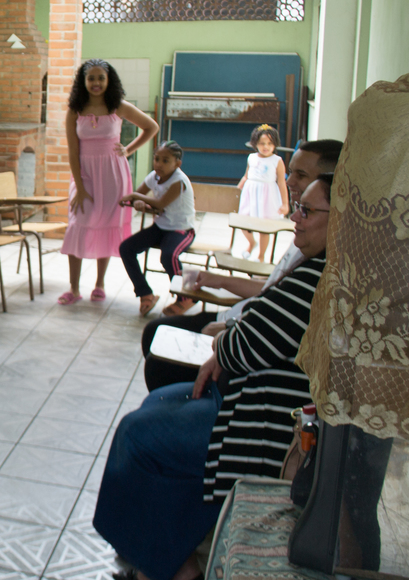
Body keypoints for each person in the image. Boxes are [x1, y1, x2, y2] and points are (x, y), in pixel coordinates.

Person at [94, 174, 333, 580]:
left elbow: (246, 344)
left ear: (342, 219)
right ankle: (171, 556)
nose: (295, 216)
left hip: (264, 420)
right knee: (159, 401)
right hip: (249, 394)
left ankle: (163, 565)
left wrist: (225, 346)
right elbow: (257, 327)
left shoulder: (322, 276)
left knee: (138, 434)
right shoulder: (314, 265)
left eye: (307, 210)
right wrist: (229, 341)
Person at [138, 139, 342, 390]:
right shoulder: (305, 232)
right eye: (291, 173)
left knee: (160, 355)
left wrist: (230, 327)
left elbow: (272, 320)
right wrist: (218, 280)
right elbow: (271, 288)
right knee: (155, 333)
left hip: (240, 329)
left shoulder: (322, 262)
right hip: (238, 320)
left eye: (300, 174)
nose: (289, 182)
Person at [59, 60, 159, 305]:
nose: (96, 83)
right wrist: (80, 188)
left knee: (106, 222)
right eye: (91, 78)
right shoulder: (75, 110)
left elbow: (151, 127)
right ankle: (73, 288)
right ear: (83, 82)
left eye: (100, 78)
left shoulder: (118, 106)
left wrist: (128, 149)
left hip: (114, 174)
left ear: (108, 80)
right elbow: (72, 152)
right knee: (79, 224)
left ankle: (99, 284)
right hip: (85, 174)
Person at [117, 141, 196, 316]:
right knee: (126, 248)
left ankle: (186, 297)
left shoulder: (179, 181)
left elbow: (160, 203)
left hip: (181, 229)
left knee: (169, 256)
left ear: (177, 163)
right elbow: (139, 196)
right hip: (160, 227)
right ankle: (145, 293)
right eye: (157, 159)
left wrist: (136, 197)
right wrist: (138, 201)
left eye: (165, 161)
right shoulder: (154, 176)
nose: (159, 164)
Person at [235, 124, 289, 261]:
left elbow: (282, 183)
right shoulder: (251, 158)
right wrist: (238, 188)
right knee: (242, 221)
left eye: (270, 143)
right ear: (255, 144)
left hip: (267, 197)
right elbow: (246, 175)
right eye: (262, 143)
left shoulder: (277, 161)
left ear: (275, 144)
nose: (266, 147)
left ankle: (261, 256)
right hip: (250, 195)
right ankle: (251, 243)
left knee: (263, 228)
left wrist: (285, 204)